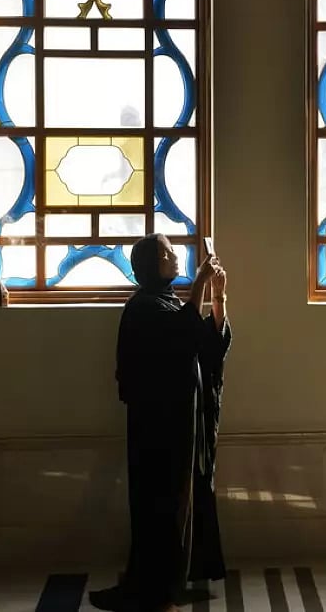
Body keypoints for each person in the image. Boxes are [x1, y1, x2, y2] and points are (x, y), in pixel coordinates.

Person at [89, 234, 231, 612]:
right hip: (159, 428)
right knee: (161, 505)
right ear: (152, 265)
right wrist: (199, 284)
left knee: (182, 503)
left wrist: (217, 295)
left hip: (183, 423)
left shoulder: (168, 303)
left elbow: (209, 345)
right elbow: (182, 335)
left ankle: (172, 582)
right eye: (167, 253)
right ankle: (154, 586)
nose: (175, 257)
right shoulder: (143, 308)